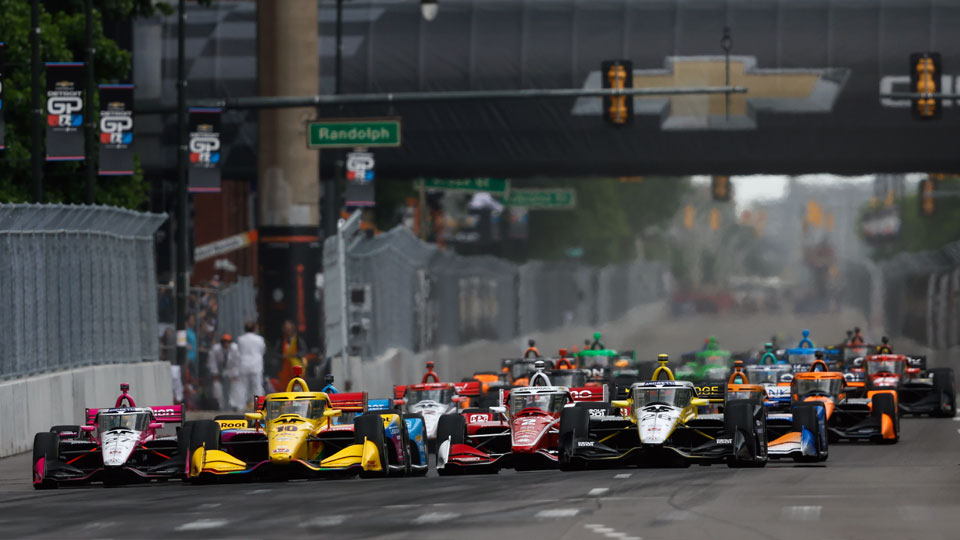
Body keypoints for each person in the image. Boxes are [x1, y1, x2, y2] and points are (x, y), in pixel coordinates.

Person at [233, 321, 266, 411]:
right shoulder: (260, 339)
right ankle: (259, 406)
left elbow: (238, 352)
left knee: (242, 385)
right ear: (255, 329)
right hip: (256, 364)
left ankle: (240, 405)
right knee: (257, 385)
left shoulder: (240, 339)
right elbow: (262, 350)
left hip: (244, 364)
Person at [272, 321, 308, 392]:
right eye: (286, 329)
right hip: (284, 368)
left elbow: (304, 351)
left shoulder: (298, 340)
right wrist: (282, 356)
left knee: (297, 385)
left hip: (296, 367)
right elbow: (274, 353)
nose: (287, 331)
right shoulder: (281, 341)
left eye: (289, 329)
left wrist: (296, 354)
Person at [208, 334, 240, 410]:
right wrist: (215, 373)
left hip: (231, 370)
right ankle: (219, 404)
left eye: (228, 342)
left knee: (235, 384)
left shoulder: (235, 348)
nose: (226, 343)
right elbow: (212, 362)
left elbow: (238, 362)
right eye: (224, 342)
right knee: (216, 384)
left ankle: (234, 404)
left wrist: (235, 374)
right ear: (221, 342)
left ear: (230, 342)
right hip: (220, 370)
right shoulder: (216, 349)